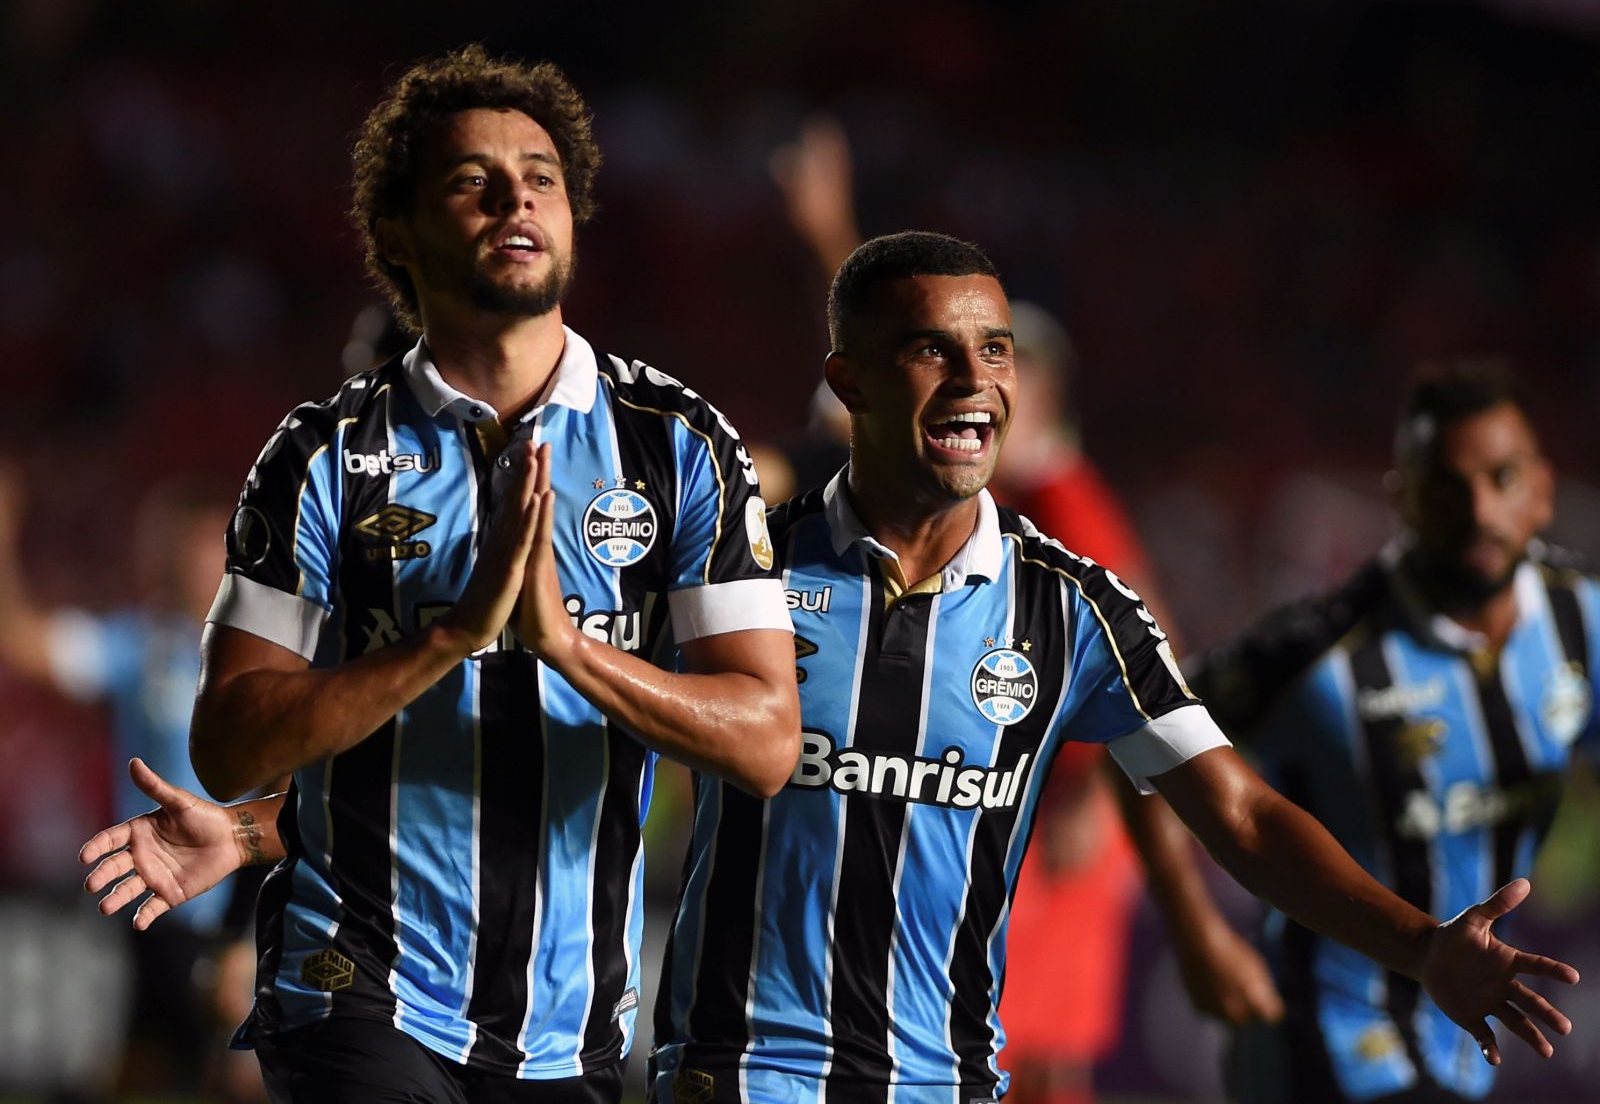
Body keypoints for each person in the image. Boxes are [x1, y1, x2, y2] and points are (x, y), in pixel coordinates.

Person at [85, 235, 1579, 1103]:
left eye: (993, 350)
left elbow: (1241, 816)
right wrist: (267, 827)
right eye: (933, 349)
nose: (976, 378)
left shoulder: (1075, 613)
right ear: (849, 383)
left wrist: (1417, 943)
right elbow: (513, 750)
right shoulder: (728, 582)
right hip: (736, 1079)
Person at [110, 46, 801, 1102]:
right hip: (353, 982)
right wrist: (446, 638)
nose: (516, 197)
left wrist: (565, 648)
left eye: (541, 177)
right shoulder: (321, 455)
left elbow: (763, 741)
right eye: (471, 181)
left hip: (570, 1024)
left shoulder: (681, 446)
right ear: (399, 232)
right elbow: (228, 736)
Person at [772, 117, 1187, 1104]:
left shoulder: (1063, 498)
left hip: (1066, 814)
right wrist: (828, 236)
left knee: (1027, 1052)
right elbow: (876, 373)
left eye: (1006, 364)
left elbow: (1142, 648)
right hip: (1025, 799)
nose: (974, 382)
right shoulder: (985, 491)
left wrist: (1089, 787)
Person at [1122, 359, 1599, 1103]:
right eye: (1445, 484)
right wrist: (1196, 932)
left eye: (1502, 477)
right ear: (1402, 498)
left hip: (1462, 1028)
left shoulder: (1583, 623)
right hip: (1324, 1031)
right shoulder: (1315, 650)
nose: (1478, 508)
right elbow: (1141, 732)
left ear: (1541, 490)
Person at [0, 472, 268, 1099]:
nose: (205, 563)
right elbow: (28, 644)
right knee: (148, 1071)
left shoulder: (269, 656)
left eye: (217, 547)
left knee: (243, 1070)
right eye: (192, 547)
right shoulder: (140, 647)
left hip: (240, 896)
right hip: (150, 904)